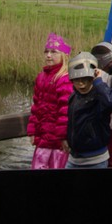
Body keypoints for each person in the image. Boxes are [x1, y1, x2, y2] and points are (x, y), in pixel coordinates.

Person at [27, 33, 74, 170]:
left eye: (54, 52)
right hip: (43, 137)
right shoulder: (41, 77)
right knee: (38, 168)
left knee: (57, 169)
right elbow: (36, 107)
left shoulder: (65, 79)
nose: (48, 55)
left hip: (58, 141)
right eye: (46, 51)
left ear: (63, 55)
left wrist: (63, 137)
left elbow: (65, 112)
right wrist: (32, 131)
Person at [64, 52, 112, 169]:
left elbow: (110, 102)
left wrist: (99, 81)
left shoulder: (99, 96)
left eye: (85, 79)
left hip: (96, 160)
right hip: (74, 159)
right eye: (77, 80)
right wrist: (65, 138)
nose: (81, 83)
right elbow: (71, 122)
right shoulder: (74, 97)